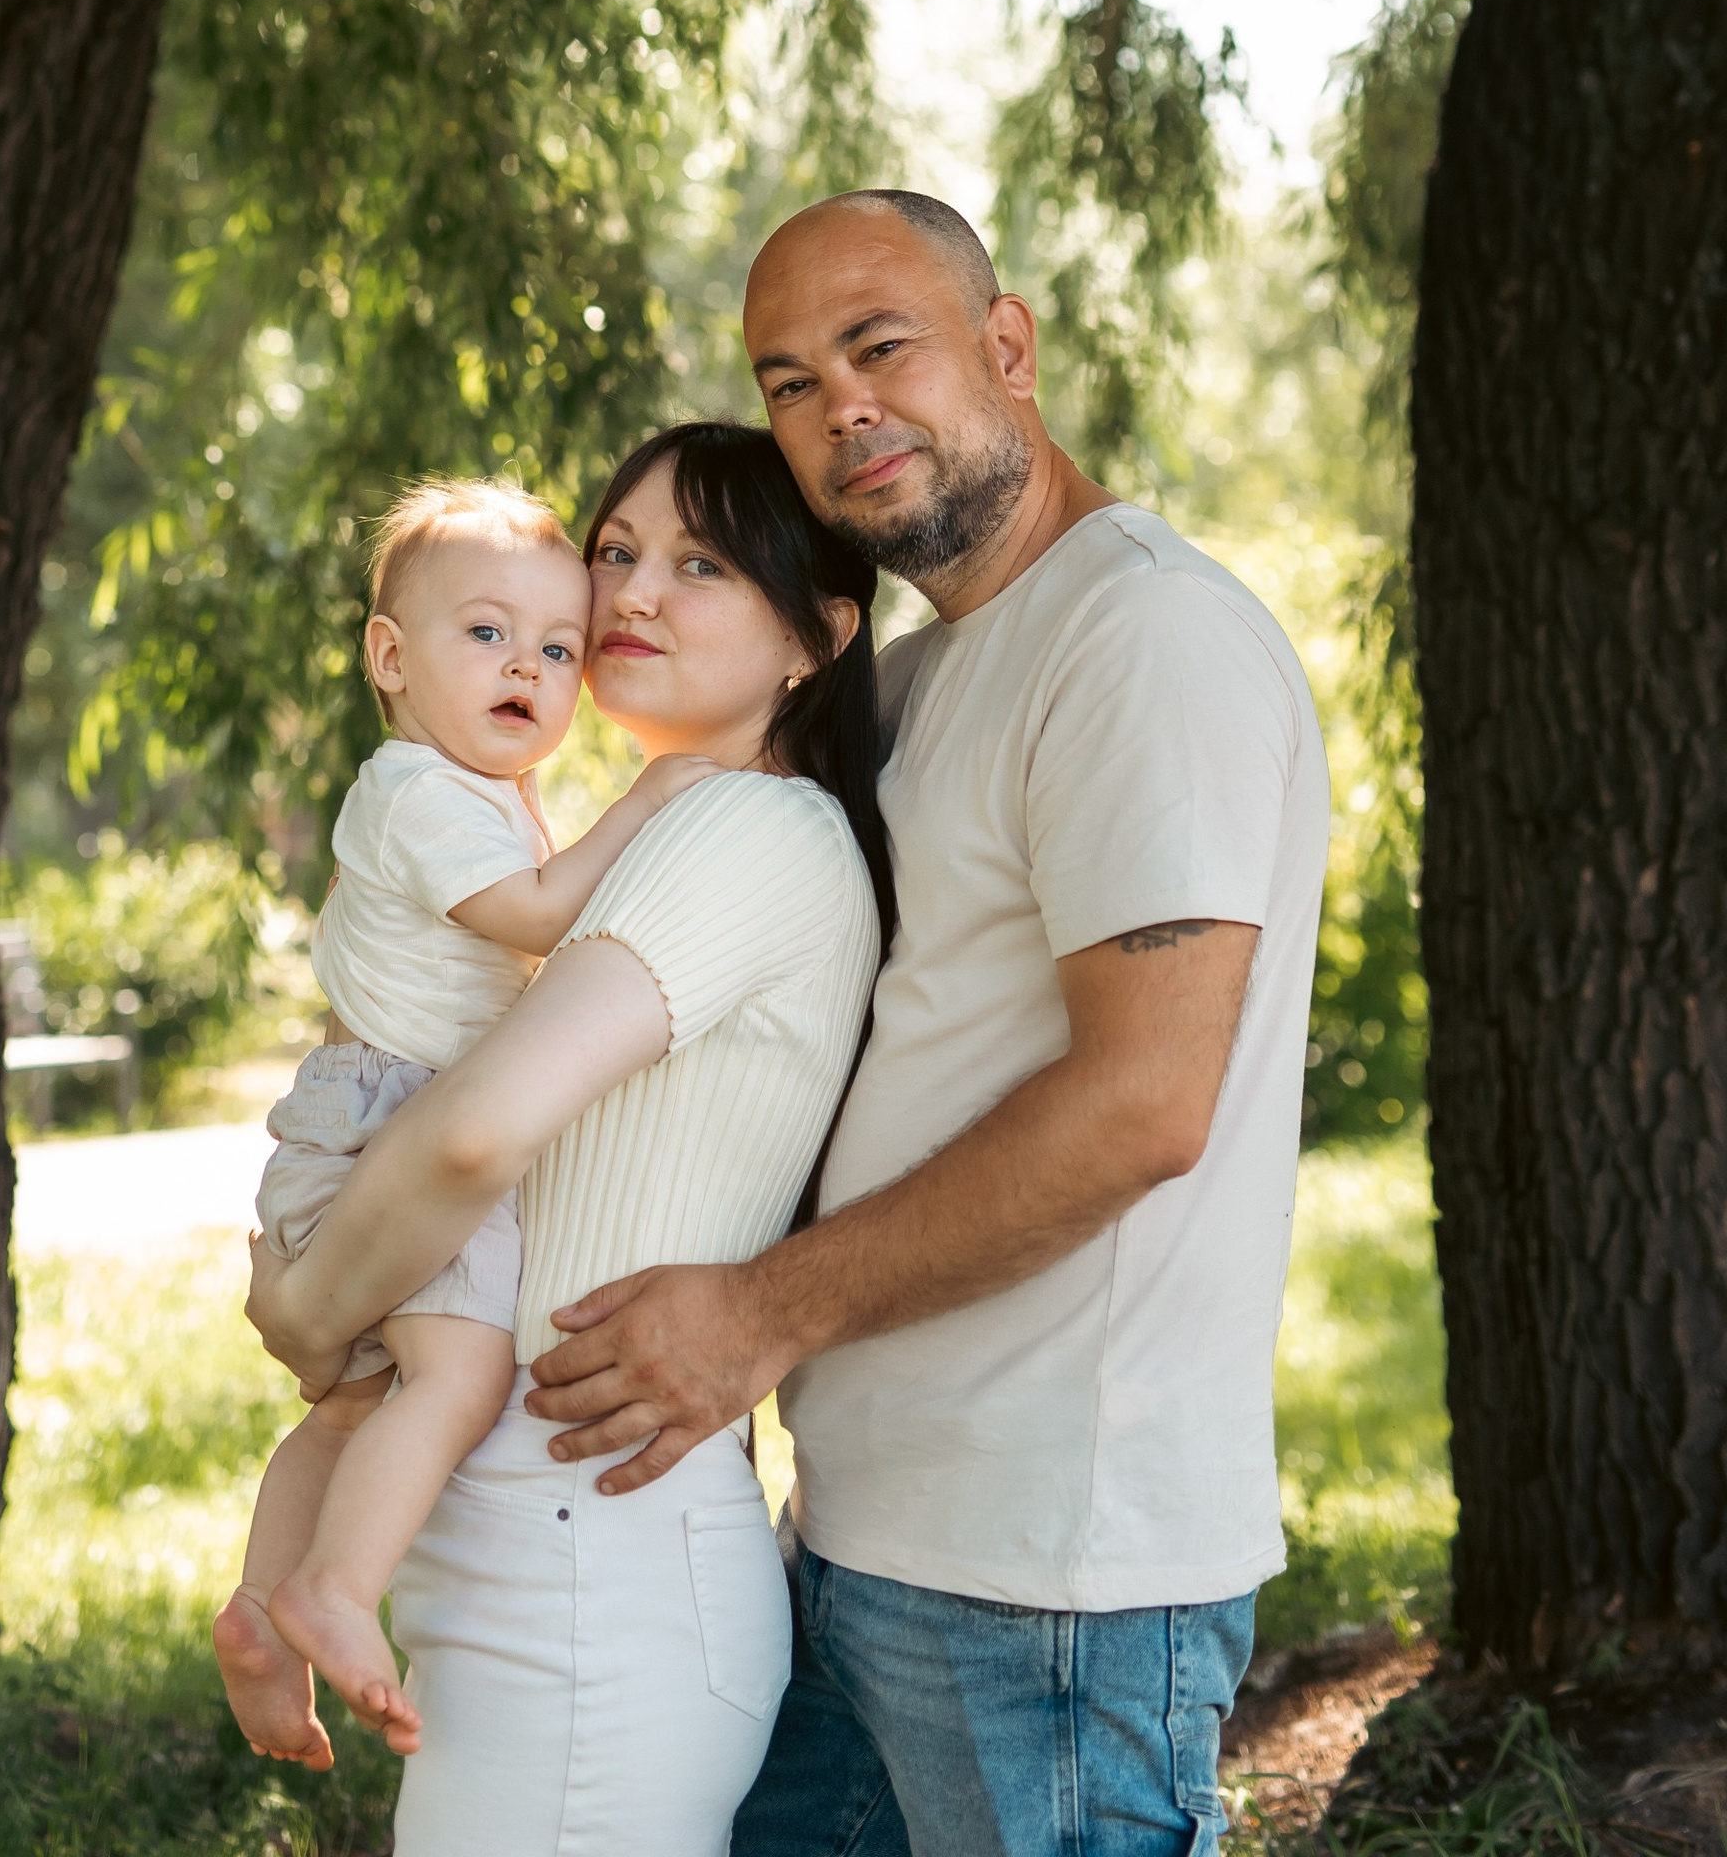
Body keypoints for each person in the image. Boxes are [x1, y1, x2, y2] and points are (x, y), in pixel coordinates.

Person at [524, 189, 1334, 1857]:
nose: (840, 410)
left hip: (1050, 1585)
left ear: (1009, 346)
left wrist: (756, 1314)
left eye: (878, 345)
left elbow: (1142, 1105)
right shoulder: (916, 679)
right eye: (792, 380)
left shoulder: (1144, 638)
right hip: (862, 1539)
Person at [247, 422, 894, 1856]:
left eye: (701, 564)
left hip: (590, 1552)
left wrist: (308, 1309)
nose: (632, 596)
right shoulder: (656, 826)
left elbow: (473, 1137)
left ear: (817, 639)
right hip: (554, 1536)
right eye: (616, 553)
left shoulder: (744, 831)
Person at [215, 476, 721, 1765]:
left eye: (559, 647)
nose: (529, 667)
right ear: (389, 656)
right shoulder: (418, 791)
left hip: (369, 1114)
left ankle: (264, 1622)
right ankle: (335, 1588)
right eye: (487, 633)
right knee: (464, 1373)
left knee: (353, 1406)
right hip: (393, 1117)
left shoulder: (470, 791)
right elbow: (538, 919)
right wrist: (655, 797)